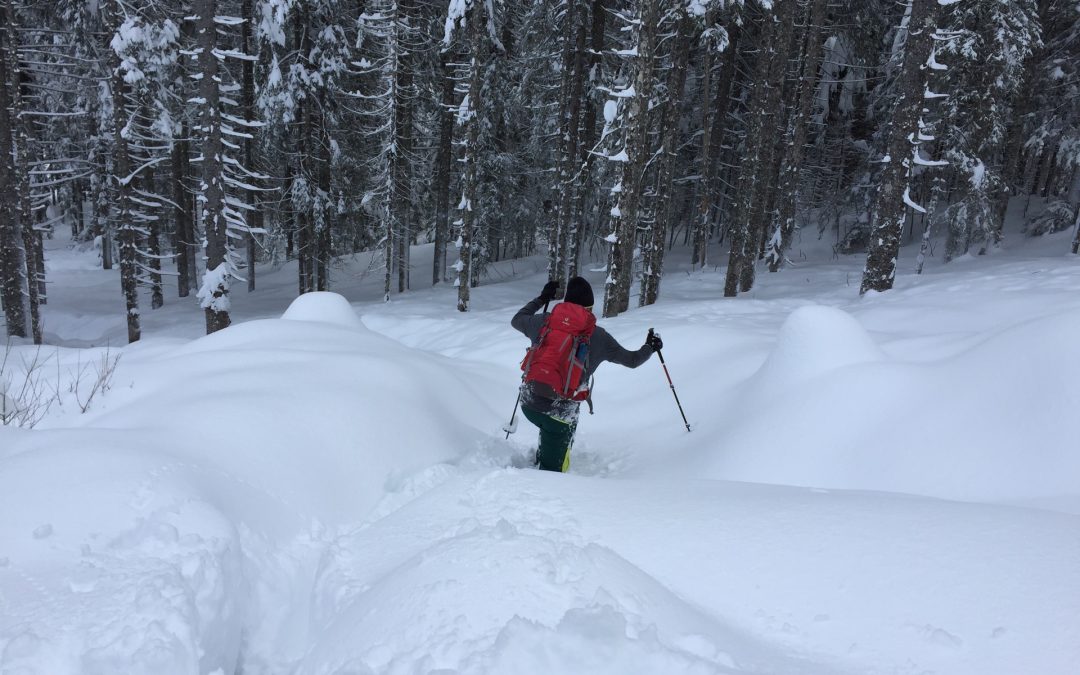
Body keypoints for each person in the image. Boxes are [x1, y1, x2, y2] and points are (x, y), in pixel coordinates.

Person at [511, 276, 663, 472]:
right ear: (589, 309)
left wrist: (542, 298)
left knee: (547, 424)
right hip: (560, 415)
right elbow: (633, 361)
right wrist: (650, 347)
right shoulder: (598, 336)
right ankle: (547, 475)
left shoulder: (544, 322)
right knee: (552, 474)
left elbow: (516, 320)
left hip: (529, 403)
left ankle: (544, 455)